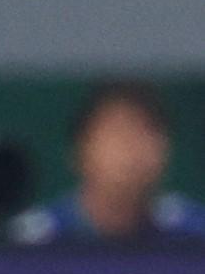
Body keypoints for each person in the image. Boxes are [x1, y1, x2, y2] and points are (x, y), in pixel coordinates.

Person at [11, 81, 205, 247]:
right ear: (81, 151)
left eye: (148, 132)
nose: (133, 148)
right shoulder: (34, 242)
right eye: (119, 133)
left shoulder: (193, 232)